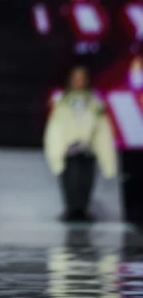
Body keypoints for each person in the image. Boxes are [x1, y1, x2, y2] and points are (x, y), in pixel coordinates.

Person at [43, 65, 117, 222]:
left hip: (88, 148)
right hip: (69, 149)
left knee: (86, 181)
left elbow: (102, 130)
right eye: (75, 78)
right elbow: (56, 127)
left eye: (82, 78)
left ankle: (82, 209)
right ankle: (71, 209)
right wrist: (56, 151)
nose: (78, 81)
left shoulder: (95, 102)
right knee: (70, 181)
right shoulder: (62, 102)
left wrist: (107, 160)